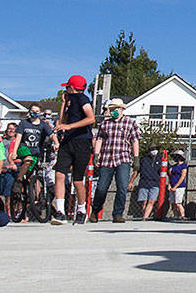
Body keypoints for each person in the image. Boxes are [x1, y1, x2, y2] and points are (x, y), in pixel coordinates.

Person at [52, 75, 96, 225]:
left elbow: (91, 118)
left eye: (67, 87)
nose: (66, 90)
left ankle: (82, 209)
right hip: (68, 141)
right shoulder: (70, 102)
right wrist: (63, 104)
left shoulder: (83, 99)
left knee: (77, 180)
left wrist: (70, 126)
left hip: (82, 142)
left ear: (72, 88)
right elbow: (62, 121)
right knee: (59, 173)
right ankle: (59, 211)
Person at [92, 97, 142, 224]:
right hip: (107, 159)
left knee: (122, 187)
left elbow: (135, 140)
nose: (112, 111)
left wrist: (136, 158)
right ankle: (95, 211)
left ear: (121, 109)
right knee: (102, 187)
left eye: (115, 109)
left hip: (123, 158)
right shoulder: (105, 124)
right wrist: (96, 155)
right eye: (111, 109)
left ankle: (118, 214)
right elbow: (99, 140)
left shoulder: (130, 123)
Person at [136, 146, 165, 220]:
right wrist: (131, 182)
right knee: (144, 202)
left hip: (155, 183)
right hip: (144, 183)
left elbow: (167, 171)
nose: (154, 151)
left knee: (151, 201)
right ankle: (144, 215)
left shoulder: (161, 159)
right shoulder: (144, 159)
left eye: (155, 149)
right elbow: (136, 171)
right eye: (152, 149)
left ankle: (144, 218)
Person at [165, 152, 188, 220]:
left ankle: (182, 216)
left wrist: (176, 186)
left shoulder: (183, 166)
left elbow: (182, 176)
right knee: (173, 203)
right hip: (172, 185)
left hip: (180, 186)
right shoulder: (174, 166)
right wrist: (170, 185)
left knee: (178, 203)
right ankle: (175, 216)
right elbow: (171, 176)